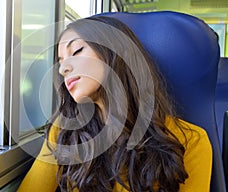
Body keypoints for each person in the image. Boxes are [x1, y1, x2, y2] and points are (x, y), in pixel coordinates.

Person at [18, 15, 212, 192]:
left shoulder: (191, 141)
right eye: (60, 62)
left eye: (76, 50)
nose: (63, 69)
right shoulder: (64, 132)